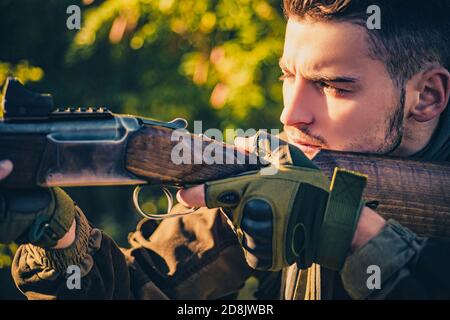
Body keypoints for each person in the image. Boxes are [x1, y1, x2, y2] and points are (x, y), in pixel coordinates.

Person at [0, 0, 449, 300]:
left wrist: (349, 229)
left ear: (426, 96)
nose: (291, 115)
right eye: (287, 76)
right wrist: (53, 230)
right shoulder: (278, 183)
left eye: (332, 86)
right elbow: (136, 290)